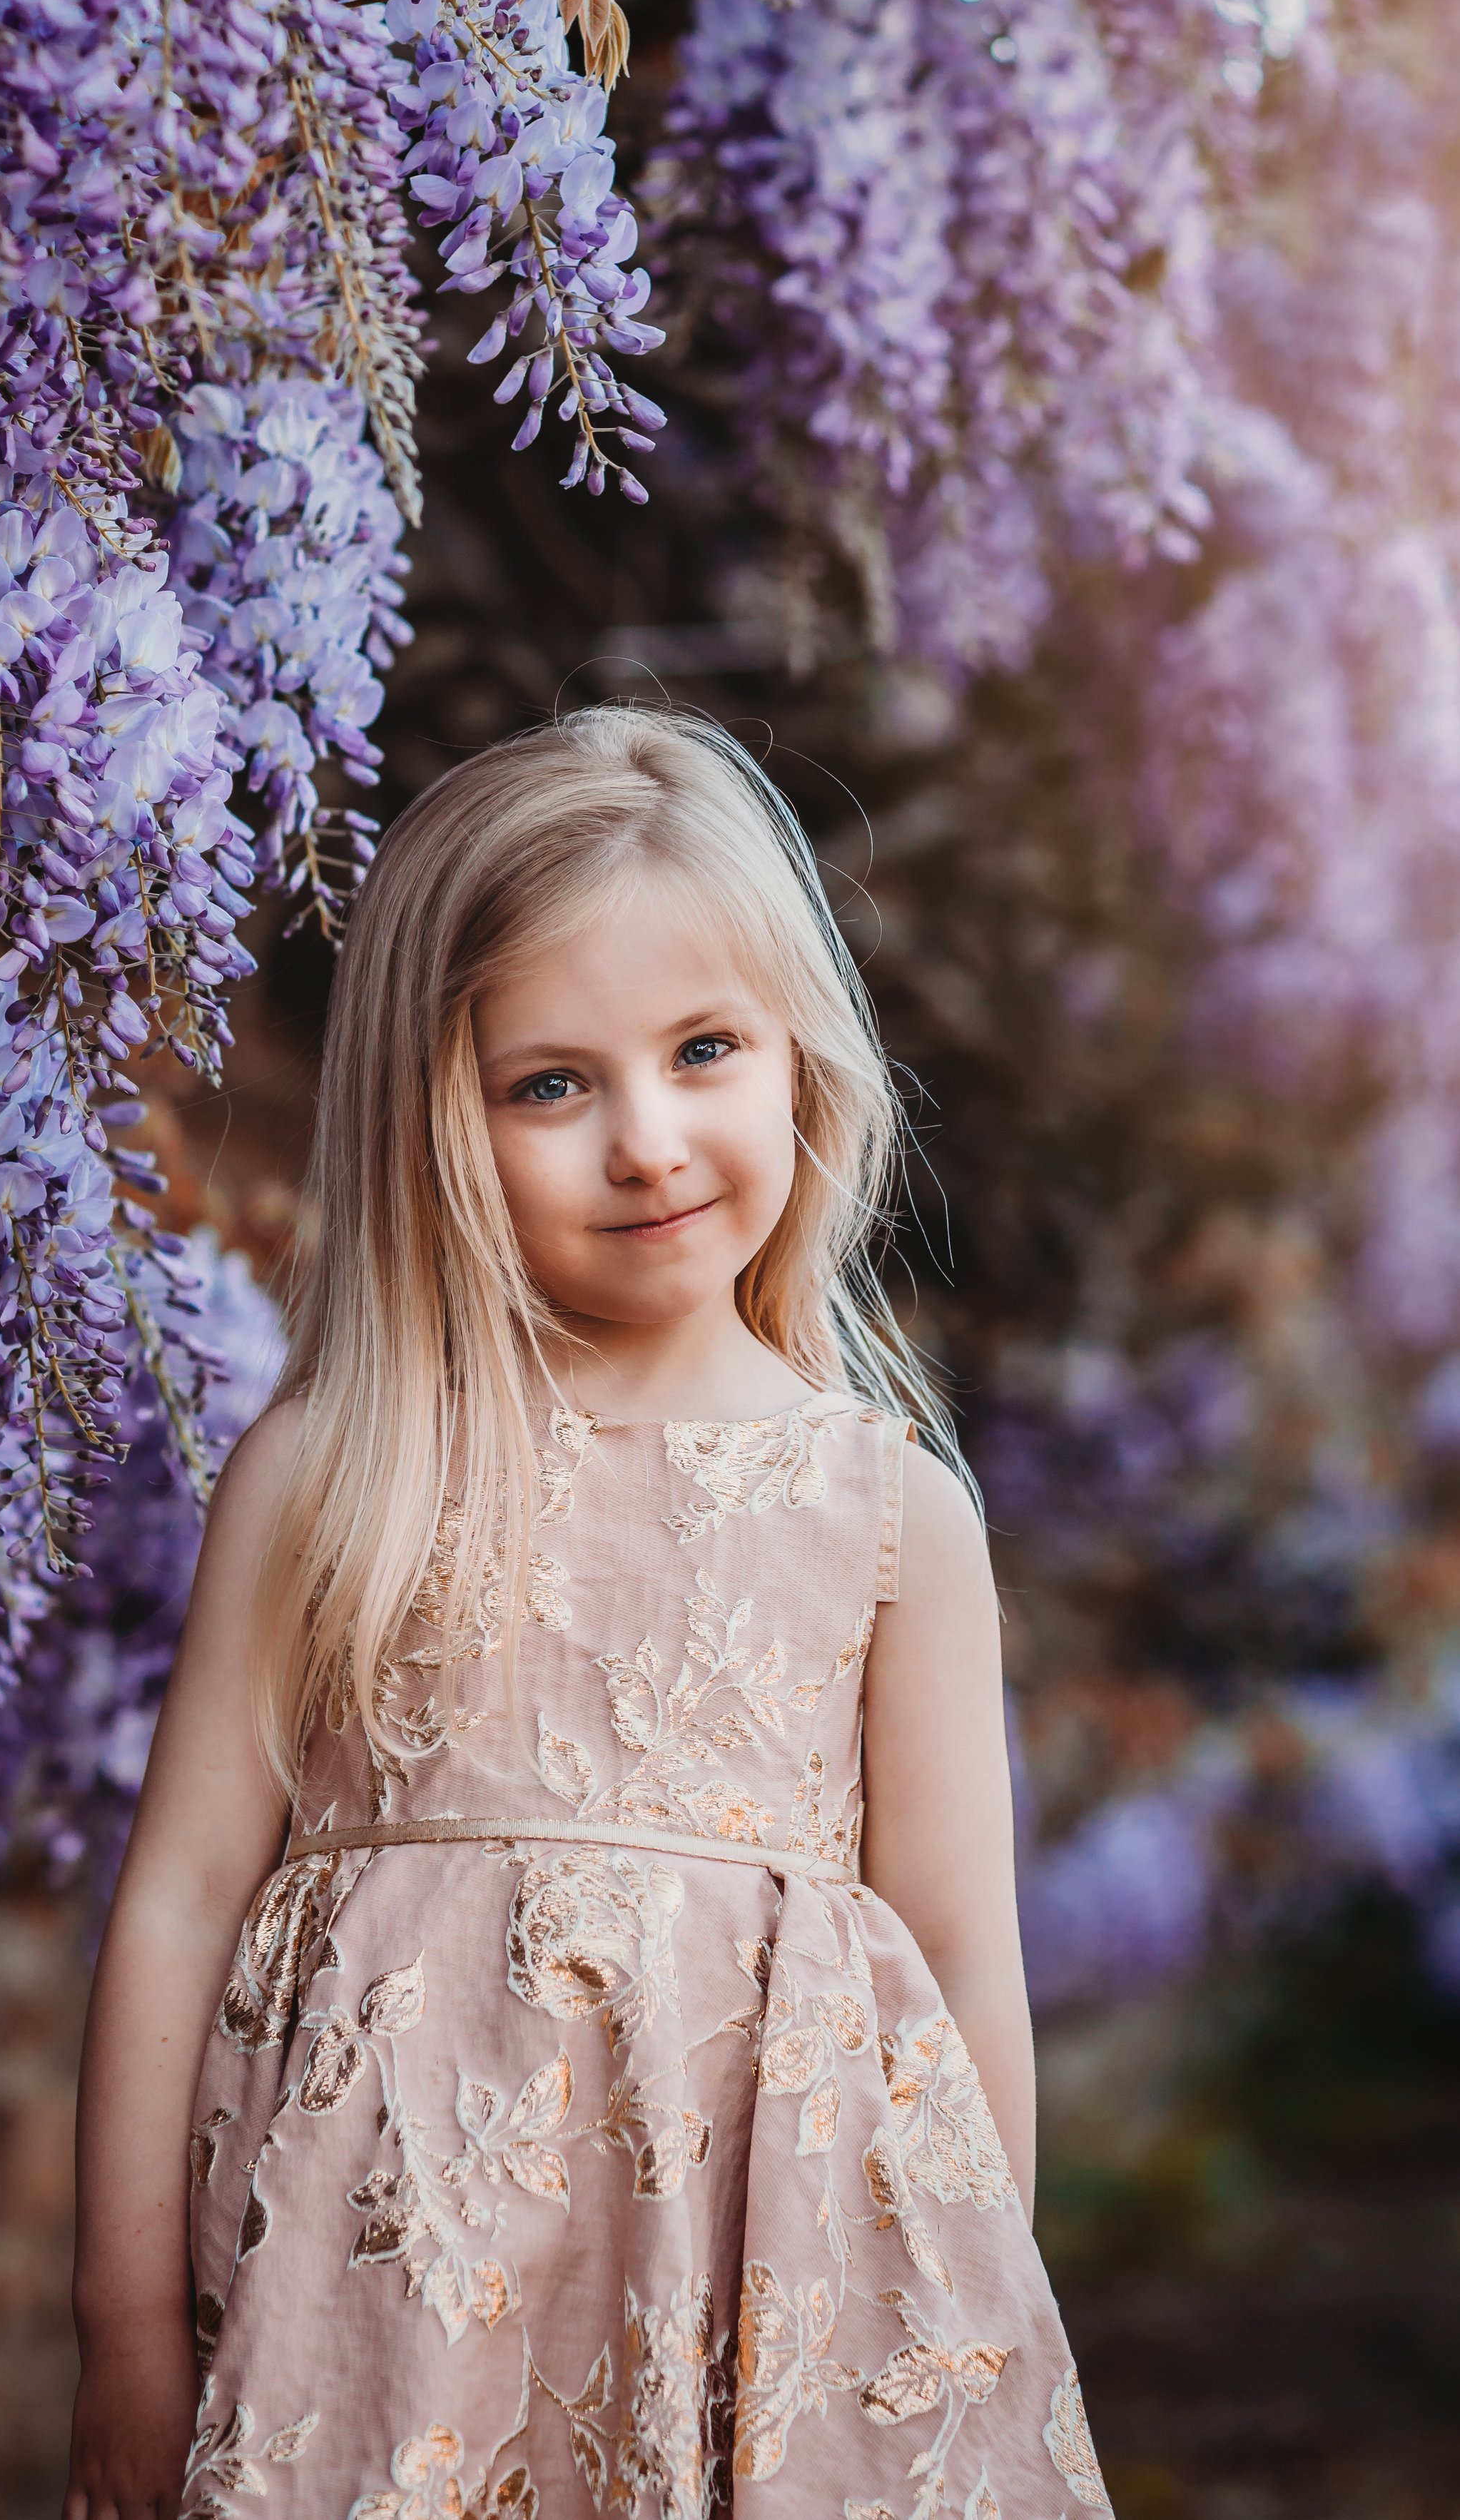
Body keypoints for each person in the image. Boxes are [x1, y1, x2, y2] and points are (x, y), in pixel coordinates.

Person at [63, 708, 1112, 2520]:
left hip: (752, 2327)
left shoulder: (888, 1514)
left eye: (704, 1049)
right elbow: (174, 1901)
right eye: (548, 1083)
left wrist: (962, 2351)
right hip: (379, 2319)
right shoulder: (338, 1474)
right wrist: (124, 2320)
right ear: (428, 1121)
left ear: (801, 1060)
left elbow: (954, 1961)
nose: (647, 1140)